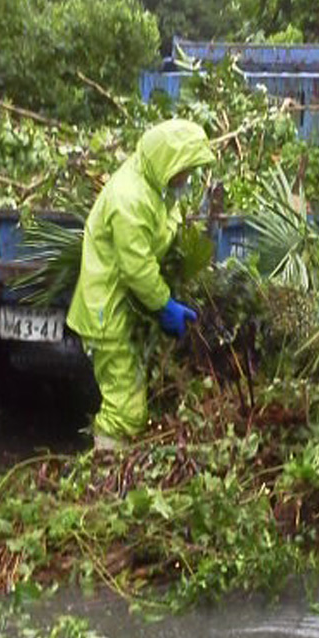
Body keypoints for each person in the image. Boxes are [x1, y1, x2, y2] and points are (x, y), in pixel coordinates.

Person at [66, 118, 215, 452]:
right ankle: (104, 479)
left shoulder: (154, 184)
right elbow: (137, 268)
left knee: (130, 398)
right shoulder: (130, 198)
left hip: (125, 306)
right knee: (125, 409)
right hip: (108, 311)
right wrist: (165, 306)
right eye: (185, 170)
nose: (186, 179)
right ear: (168, 161)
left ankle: (113, 474)